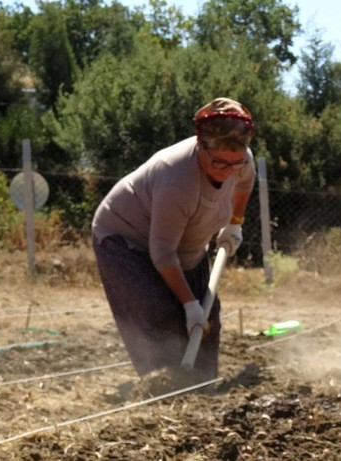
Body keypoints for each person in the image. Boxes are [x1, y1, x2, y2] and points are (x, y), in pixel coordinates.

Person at [92, 97, 256, 379]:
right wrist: (189, 305)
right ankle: (161, 385)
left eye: (234, 164)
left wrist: (234, 223)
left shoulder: (240, 160)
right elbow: (163, 253)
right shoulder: (177, 180)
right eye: (219, 162)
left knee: (209, 311)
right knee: (160, 309)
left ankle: (200, 385)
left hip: (183, 244)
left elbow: (244, 183)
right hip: (126, 239)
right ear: (200, 144)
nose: (227, 170)